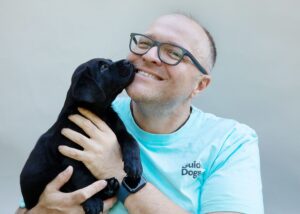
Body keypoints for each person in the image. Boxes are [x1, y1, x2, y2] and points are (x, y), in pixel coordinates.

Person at [16, 13, 264, 214]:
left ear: (200, 85)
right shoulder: (91, 115)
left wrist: (118, 172)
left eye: (174, 53)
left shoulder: (230, 142)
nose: (149, 55)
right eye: (145, 43)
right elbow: (26, 205)